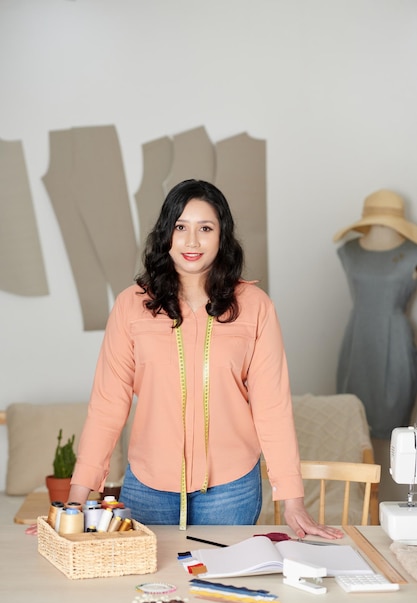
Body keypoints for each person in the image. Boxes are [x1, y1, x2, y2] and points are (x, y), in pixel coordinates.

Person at [69, 179, 342, 539]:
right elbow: (107, 405)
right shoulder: (130, 306)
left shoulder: (255, 307)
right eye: (181, 227)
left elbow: (272, 406)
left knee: (221, 591)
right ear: (166, 233)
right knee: (147, 590)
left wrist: (292, 499)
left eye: (205, 228)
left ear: (222, 236)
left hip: (231, 489)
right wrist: (74, 500)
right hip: (149, 487)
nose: (192, 241)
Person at [333, 189, 417, 440]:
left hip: (396, 340)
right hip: (357, 338)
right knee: (352, 411)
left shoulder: (412, 254)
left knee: (396, 415)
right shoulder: (349, 251)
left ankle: (392, 478)